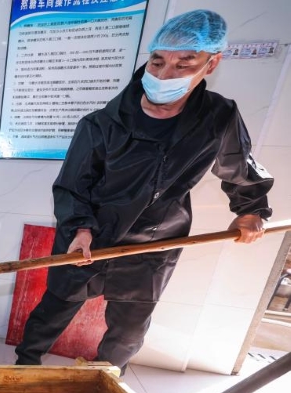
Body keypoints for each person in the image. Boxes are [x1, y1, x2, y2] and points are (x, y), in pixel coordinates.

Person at [15, 10, 274, 373]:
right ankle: (22, 368)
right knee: (54, 309)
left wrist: (251, 210)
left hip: (154, 243)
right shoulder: (102, 123)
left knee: (129, 330)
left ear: (211, 63)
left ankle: (104, 381)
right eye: (158, 61)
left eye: (184, 63)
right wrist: (79, 229)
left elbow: (239, 167)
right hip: (90, 235)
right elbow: (73, 186)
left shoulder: (218, 117)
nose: (165, 74)